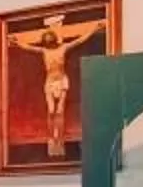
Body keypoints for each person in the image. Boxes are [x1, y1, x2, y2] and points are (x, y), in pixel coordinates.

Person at [7, 11, 105, 151]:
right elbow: (28, 47)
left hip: (62, 80)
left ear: (53, 39)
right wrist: (16, 41)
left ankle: (58, 136)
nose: (48, 42)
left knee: (59, 111)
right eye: (46, 40)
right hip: (50, 83)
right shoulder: (44, 51)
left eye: (49, 39)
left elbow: (80, 40)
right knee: (51, 110)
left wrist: (94, 29)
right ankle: (51, 135)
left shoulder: (63, 48)